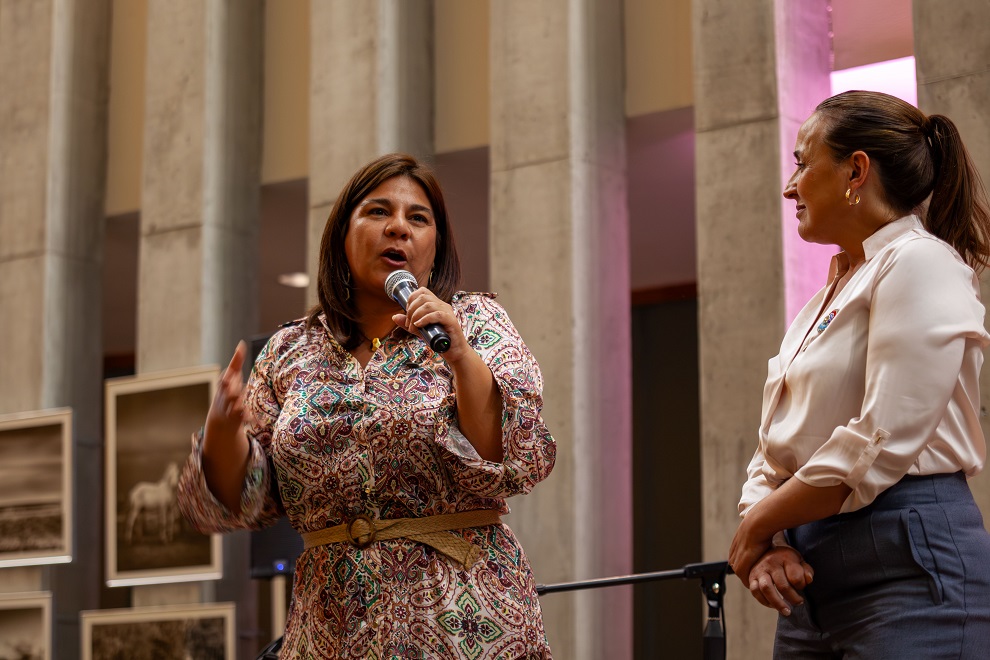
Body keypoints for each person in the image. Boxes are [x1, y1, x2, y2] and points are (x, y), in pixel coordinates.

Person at [178, 153, 556, 658]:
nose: (398, 227)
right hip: (329, 625)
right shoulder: (291, 350)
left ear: (435, 247)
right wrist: (224, 435)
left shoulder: (475, 321)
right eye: (379, 212)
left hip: (462, 623)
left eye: (418, 218)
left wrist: (461, 355)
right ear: (343, 235)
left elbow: (510, 457)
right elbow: (249, 498)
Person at [729, 90, 990, 658]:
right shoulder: (826, 294)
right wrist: (769, 537)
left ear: (856, 170)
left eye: (802, 162)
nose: (790, 186)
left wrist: (757, 527)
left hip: (906, 561)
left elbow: (880, 438)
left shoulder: (919, 261)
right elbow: (774, 448)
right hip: (809, 572)